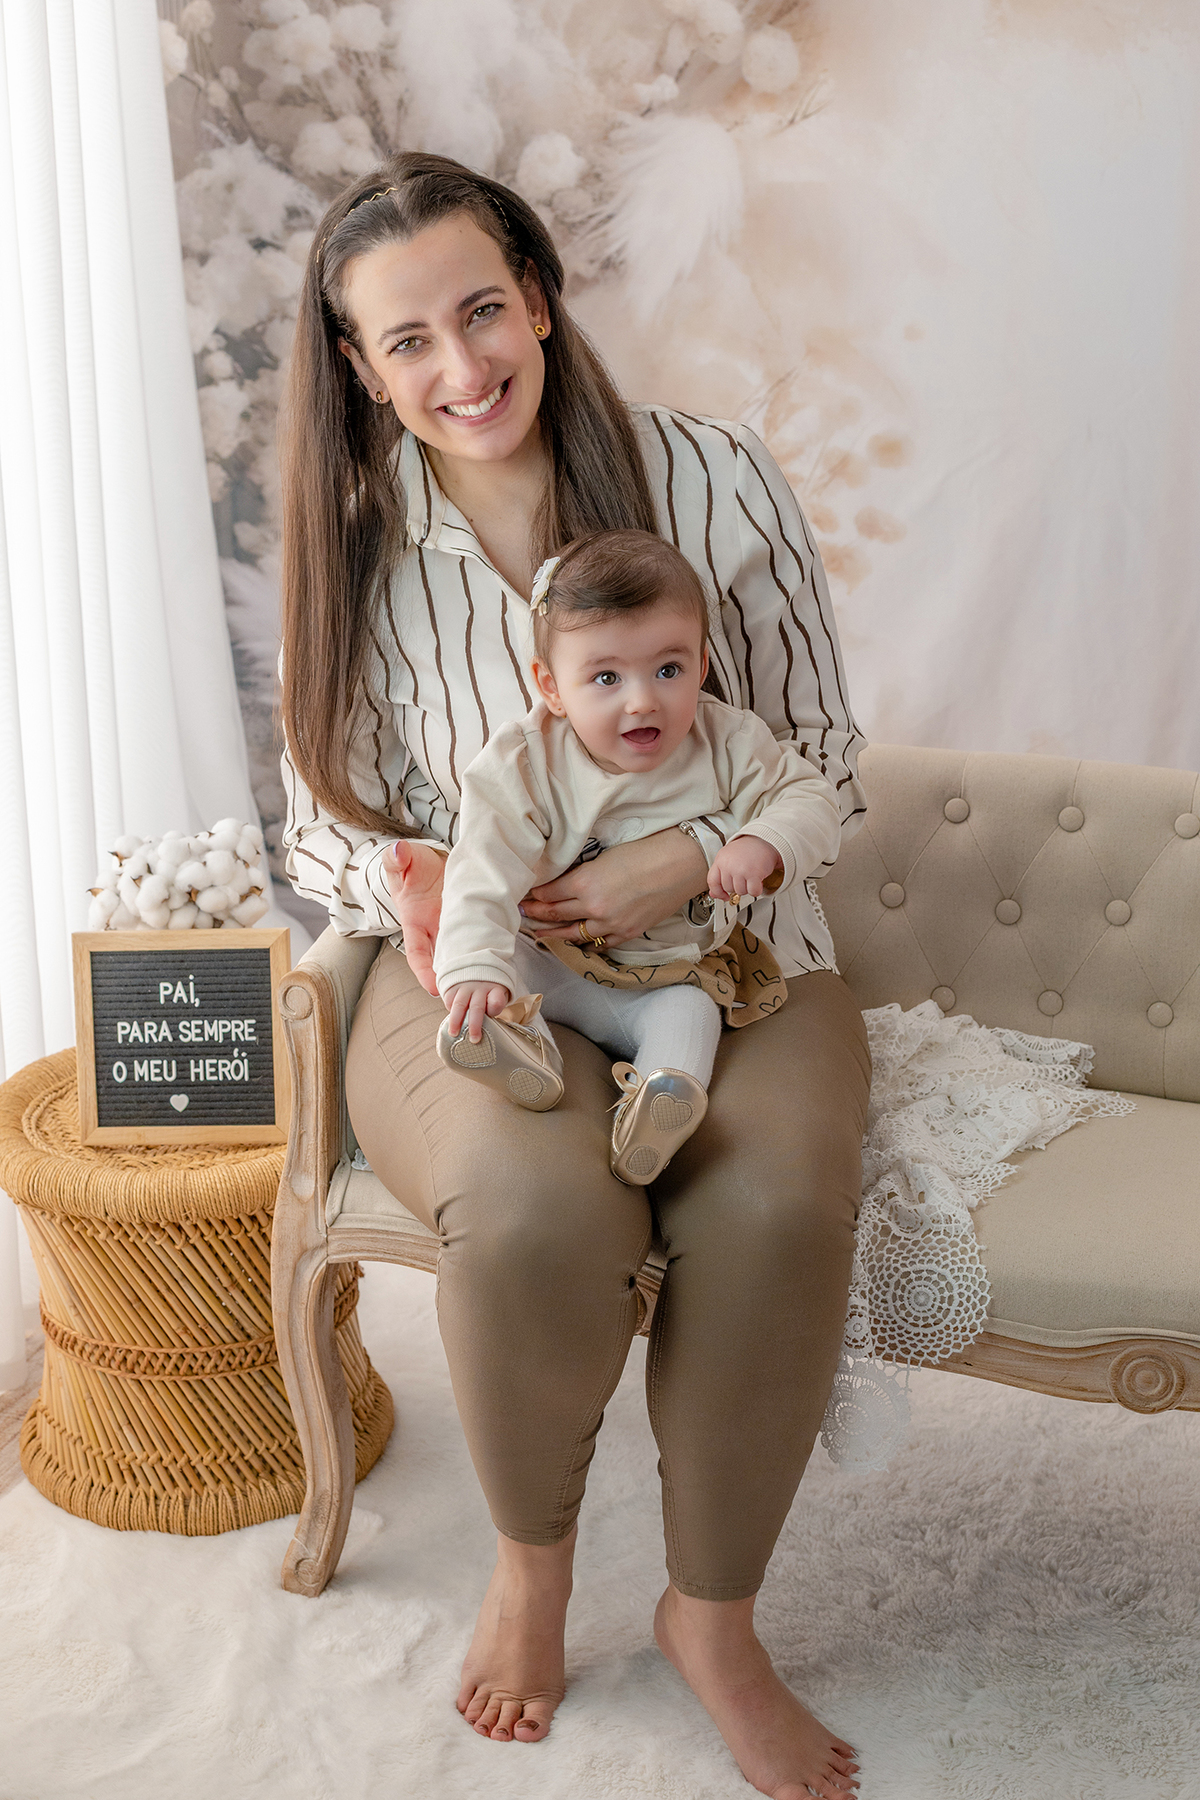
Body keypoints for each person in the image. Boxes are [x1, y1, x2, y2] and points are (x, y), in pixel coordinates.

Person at [280, 150, 870, 1800]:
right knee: (538, 1206)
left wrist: (684, 860)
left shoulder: (714, 480)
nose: (461, 370)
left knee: (770, 1205)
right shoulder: (362, 554)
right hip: (478, 970)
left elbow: (825, 752)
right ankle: (530, 1569)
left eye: (484, 312)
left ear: (537, 297)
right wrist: (399, 873)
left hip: (735, 954)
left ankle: (712, 1618)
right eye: (408, 341)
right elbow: (312, 825)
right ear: (356, 361)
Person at [433, 527, 845, 1187]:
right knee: (497, 971)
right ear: (553, 687)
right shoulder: (523, 763)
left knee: (691, 1019)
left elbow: (812, 798)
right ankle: (515, 1045)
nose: (643, 699)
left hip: (667, 973)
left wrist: (761, 841)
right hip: (551, 962)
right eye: (605, 676)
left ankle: (657, 1108)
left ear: (702, 665)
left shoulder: (729, 743)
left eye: (668, 669)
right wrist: (472, 971)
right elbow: (479, 873)